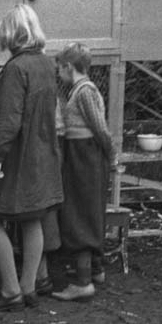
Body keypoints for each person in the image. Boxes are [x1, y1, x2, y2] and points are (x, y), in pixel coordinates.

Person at [0, 4, 63, 312]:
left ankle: (10, 289)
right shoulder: (46, 63)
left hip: (19, 155)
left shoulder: (16, 69)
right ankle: (29, 287)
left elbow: (9, 119)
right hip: (43, 153)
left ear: (11, 34)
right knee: (33, 218)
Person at [52, 42, 115, 301]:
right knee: (88, 209)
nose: (58, 73)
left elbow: (100, 128)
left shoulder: (84, 91)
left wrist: (111, 156)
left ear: (68, 66)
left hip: (84, 156)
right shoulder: (79, 90)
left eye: (59, 68)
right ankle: (95, 270)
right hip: (83, 155)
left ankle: (83, 281)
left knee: (80, 212)